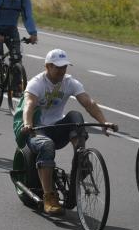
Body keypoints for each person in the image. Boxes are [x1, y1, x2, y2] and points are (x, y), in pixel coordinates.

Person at [15, 49, 118, 215]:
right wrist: (27, 124)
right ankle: (49, 196)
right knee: (47, 145)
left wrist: (103, 122)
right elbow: (29, 105)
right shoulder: (37, 83)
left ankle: (81, 159)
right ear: (48, 66)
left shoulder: (69, 82)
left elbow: (88, 102)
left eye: (65, 67)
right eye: (58, 67)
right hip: (35, 130)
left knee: (75, 116)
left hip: (56, 129)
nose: (62, 71)